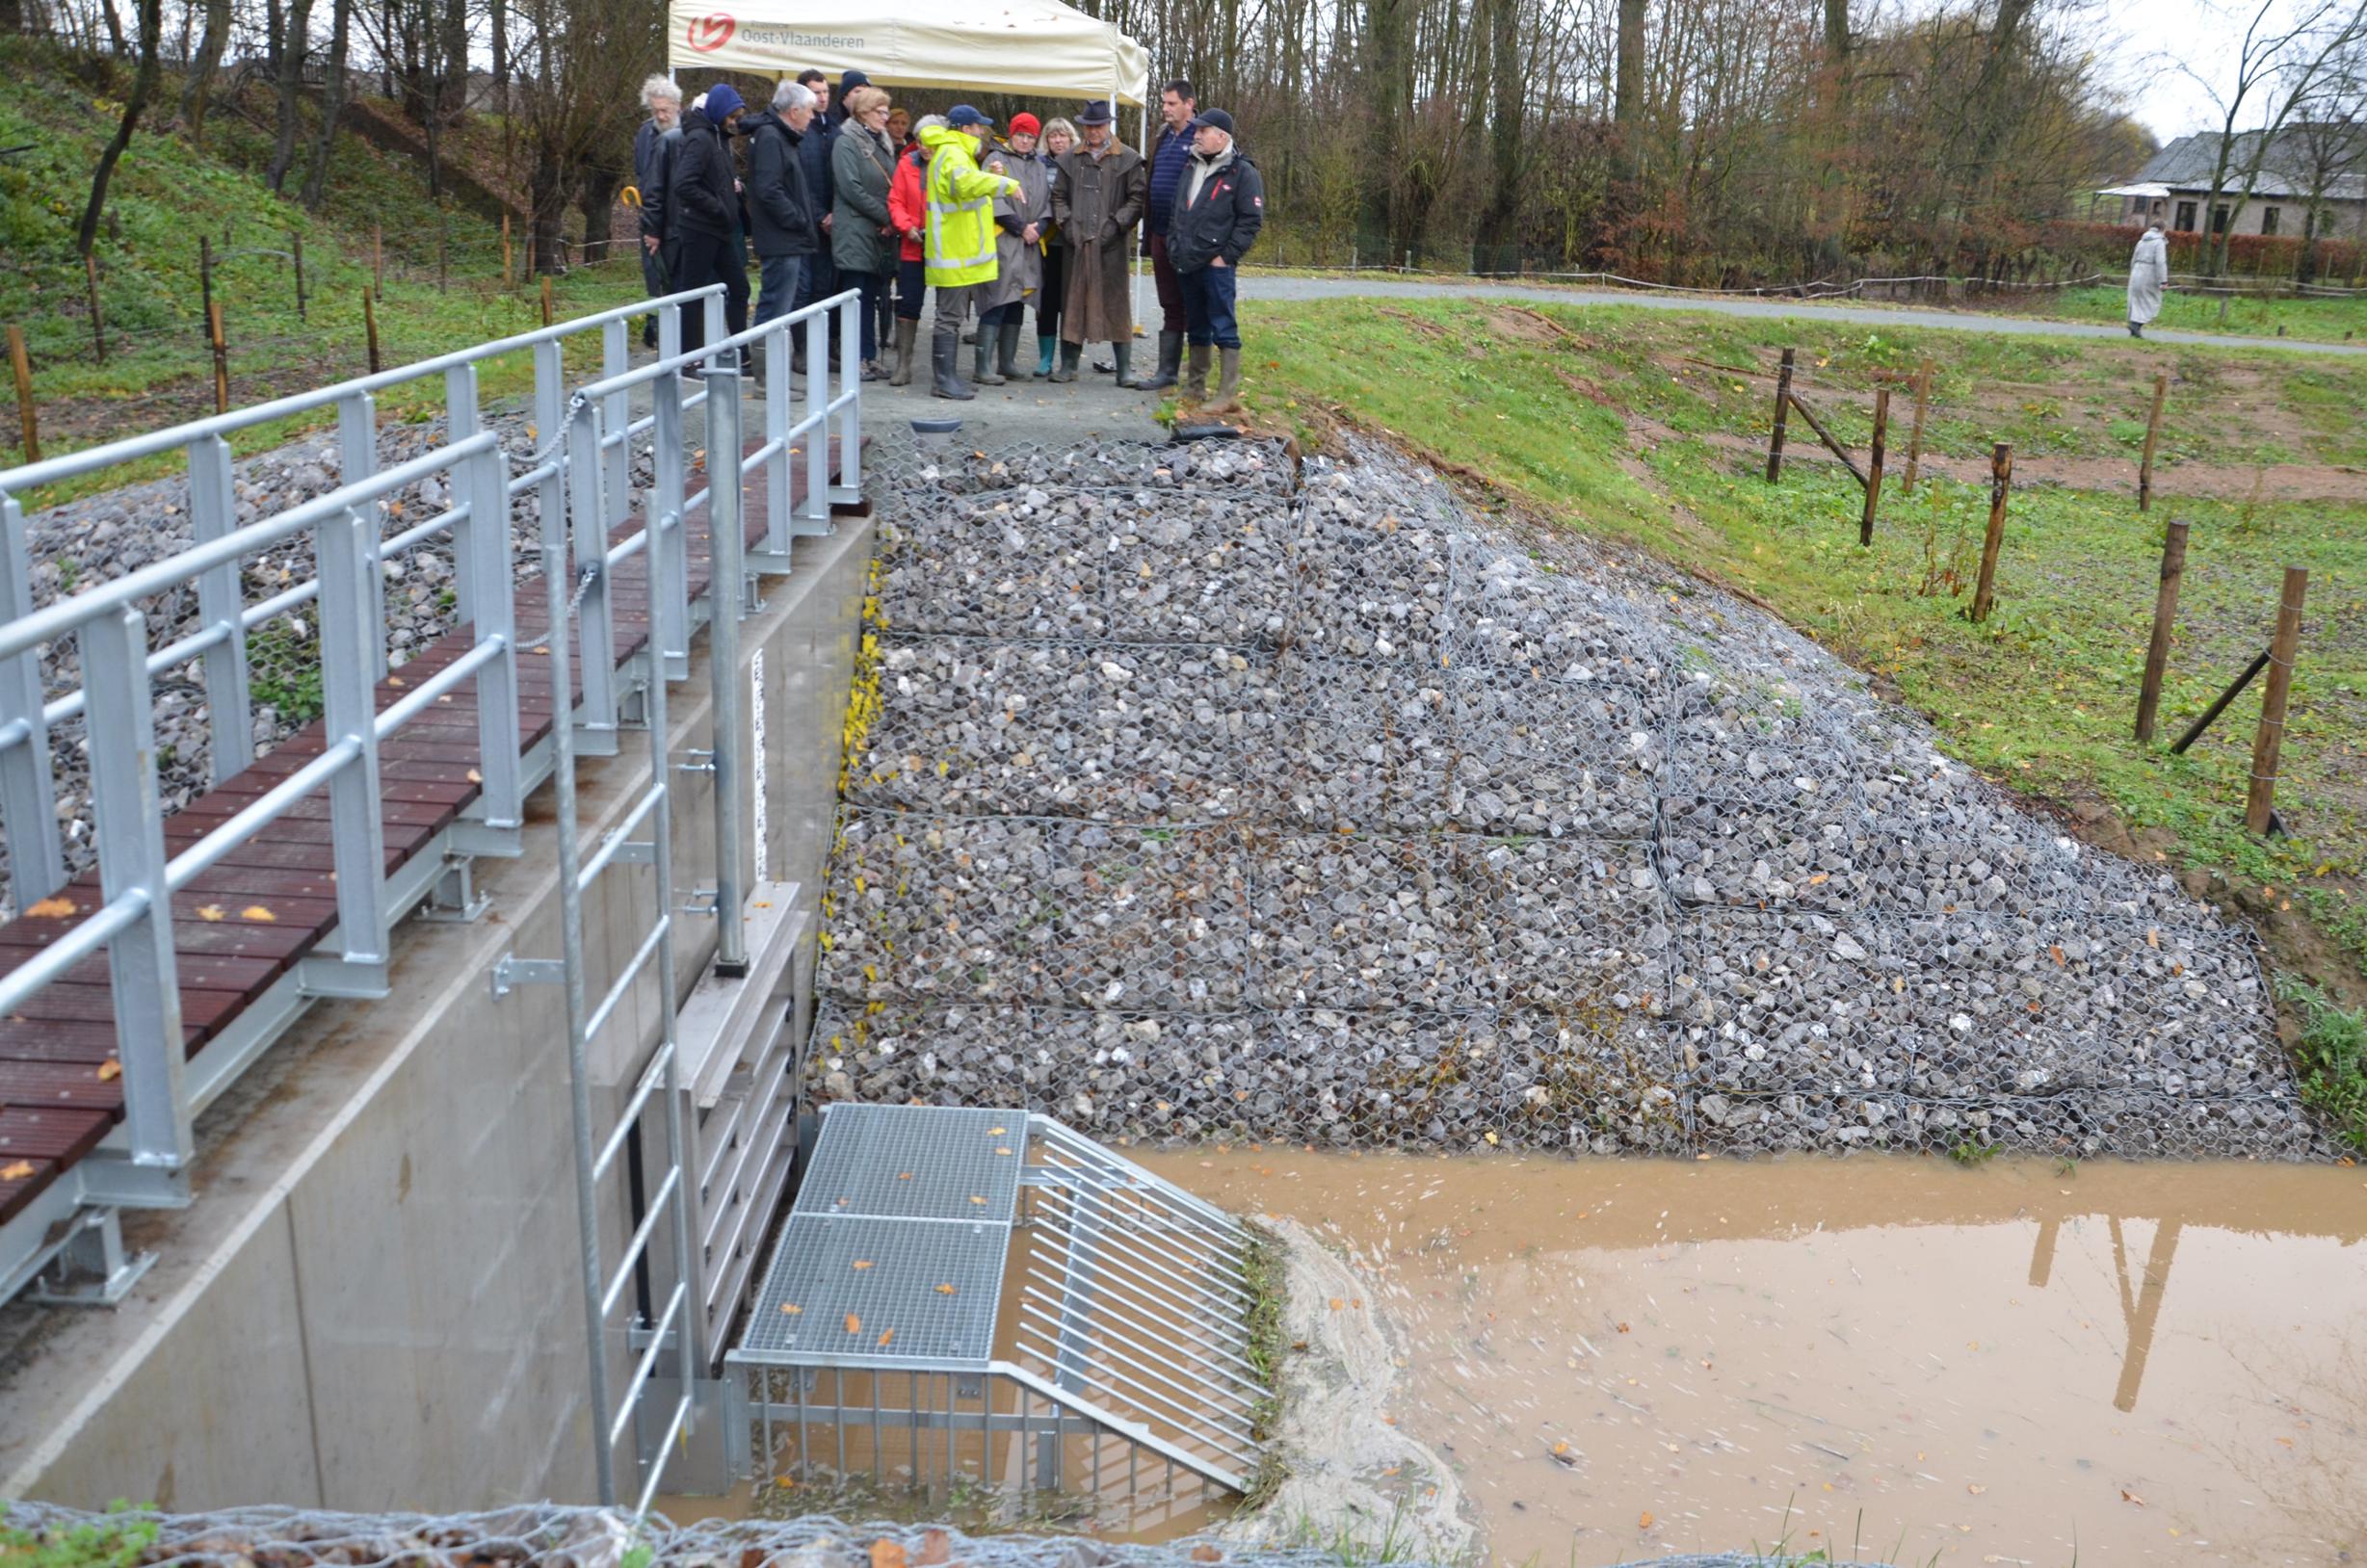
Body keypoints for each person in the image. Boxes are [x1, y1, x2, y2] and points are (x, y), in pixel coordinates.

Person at [921, 105, 1023, 400]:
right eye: (979, 127)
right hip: (952, 251)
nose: (982, 132)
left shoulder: (957, 152)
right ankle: (943, 381)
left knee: (951, 316)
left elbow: (965, 185)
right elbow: (963, 184)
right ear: (966, 128)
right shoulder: (953, 152)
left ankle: (948, 377)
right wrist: (1004, 184)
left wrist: (987, 175)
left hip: (957, 250)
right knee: (949, 316)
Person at [1167, 108, 1262, 413]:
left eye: (1202, 131)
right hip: (1187, 259)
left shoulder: (1243, 172)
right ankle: (1195, 387)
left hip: (1217, 264)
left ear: (1222, 136)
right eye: (1196, 130)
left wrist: (1226, 257)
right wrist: (1174, 243)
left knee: (1223, 325)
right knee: (1196, 324)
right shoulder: (1190, 165)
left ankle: (1226, 395)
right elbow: (1178, 209)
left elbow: (1250, 222)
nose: (1195, 135)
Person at [1047, 99, 1145, 384]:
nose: (1093, 131)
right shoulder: (1068, 159)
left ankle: (1124, 368)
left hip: (1112, 244)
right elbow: (1058, 197)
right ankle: (1068, 365)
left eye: (1098, 125)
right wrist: (1065, 225)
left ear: (1108, 125)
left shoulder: (1128, 159)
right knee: (1072, 300)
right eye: (1088, 126)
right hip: (1075, 243)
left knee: (1116, 302)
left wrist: (1116, 225)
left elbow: (1137, 198)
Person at [670, 82, 752, 367]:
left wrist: (731, 193)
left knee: (740, 288)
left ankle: (741, 354)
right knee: (692, 293)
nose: (735, 122)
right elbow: (684, 183)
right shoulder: (701, 140)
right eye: (731, 117)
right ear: (718, 114)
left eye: (737, 117)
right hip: (700, 228)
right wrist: (717, 205)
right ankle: (689, 357)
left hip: (720, 228)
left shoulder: (720, 140)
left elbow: (712, 179)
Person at [743, 79, 822, 359]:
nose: (813, 117)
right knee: (774, 308)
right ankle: (767, 379)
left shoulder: (781, 137)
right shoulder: (770, 137)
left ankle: (774, 377)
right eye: (810, 111)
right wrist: (798, 220)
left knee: (780, 309)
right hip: (781, 239)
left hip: (787, 238)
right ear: (794, 110)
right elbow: (769, 190)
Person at [977, 113, 1051, 385]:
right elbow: (992, 198)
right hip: (1004, 240)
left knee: (1018, 301)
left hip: (1030, 244)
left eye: (1030, 136)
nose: (1025, 140)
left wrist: (1039, 227)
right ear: (1011, 134)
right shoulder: (996, 160)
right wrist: (1020, 227)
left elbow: (1047, 201)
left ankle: (1007, 362)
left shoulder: (1040, 165)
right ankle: (983, 366)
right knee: (997, 299)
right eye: (1021, 134)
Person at [832, 84, 899, 380]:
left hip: (878, 233)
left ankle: (869, 356)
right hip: (856, 229)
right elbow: (851, 188)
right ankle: (854, 358)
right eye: (880, 111)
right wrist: (886, 215)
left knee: (870, 296)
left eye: (886, 111)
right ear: (864, 112)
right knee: (855, 297)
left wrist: (890, 219)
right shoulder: (846, 142)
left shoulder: (882, 142)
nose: (885, 117)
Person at [1138, 78, 1197, 390]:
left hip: (1187, 236)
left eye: (1172, 103)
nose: (1165, 109)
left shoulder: (1202, 136)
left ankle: (1197, 377)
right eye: (1163, 103)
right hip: (1159, 231)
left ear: (1189, 104)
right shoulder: (1163, 136)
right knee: (1170, 302)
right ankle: (1167, 372)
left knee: (1194, 303)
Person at [886, 114, 941, 385]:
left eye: (929, 141)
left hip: (943, 246)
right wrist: (906, 226)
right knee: (908, 302)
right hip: (911, 243)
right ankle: (903, 366)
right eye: (919, 140)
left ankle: (943, 370)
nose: (924, 146)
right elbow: (895, 200)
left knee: (946, 307)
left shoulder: (951, 166)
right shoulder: (906, 163)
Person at [790, 67, 840, 353]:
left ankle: (820, 348)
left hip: (831, 222)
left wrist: (835, 213)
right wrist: (821, 214)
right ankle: (802, 351)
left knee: (825, 287)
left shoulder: (832, 126)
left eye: (825, 92)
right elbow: (800, 180)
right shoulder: (798, 132)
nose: (822, 98)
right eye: (816, 93)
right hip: (805, 222)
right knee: (803, 289)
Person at [632, 75, 684, 349]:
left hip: (680, 217)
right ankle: (656, 324)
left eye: (665, 110)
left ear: (677, 106)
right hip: (651, 214)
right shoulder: (644, 133)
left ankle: (681, 327)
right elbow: (644, 176)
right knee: (654, 272)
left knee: (678, 275)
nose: (661, 116)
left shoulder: (686, 131)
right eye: (656, 111)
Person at [1034, 118, 1076, 376]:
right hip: (1045, 243)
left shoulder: (1079, 165)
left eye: (1063, 136)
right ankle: (1045, 358)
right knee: (1047, 302)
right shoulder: (1038, 166)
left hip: (1071, 243)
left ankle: (1067, 359)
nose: (1058, 140)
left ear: (1071, 139)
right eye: (1053, 136)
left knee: (1070, 303)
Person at [2128, 221, 2169, 338]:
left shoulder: (2141, 241)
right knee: (2151, 301)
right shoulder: (2159, 242)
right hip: (2149, 273)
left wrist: (2132, 273)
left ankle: (2134, 328)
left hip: (2136, 271)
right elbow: (2160, 262)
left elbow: (2133, 259)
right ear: (2162, 229)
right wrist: (2163, 280)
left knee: (2136, 301)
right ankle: (2136, 325)